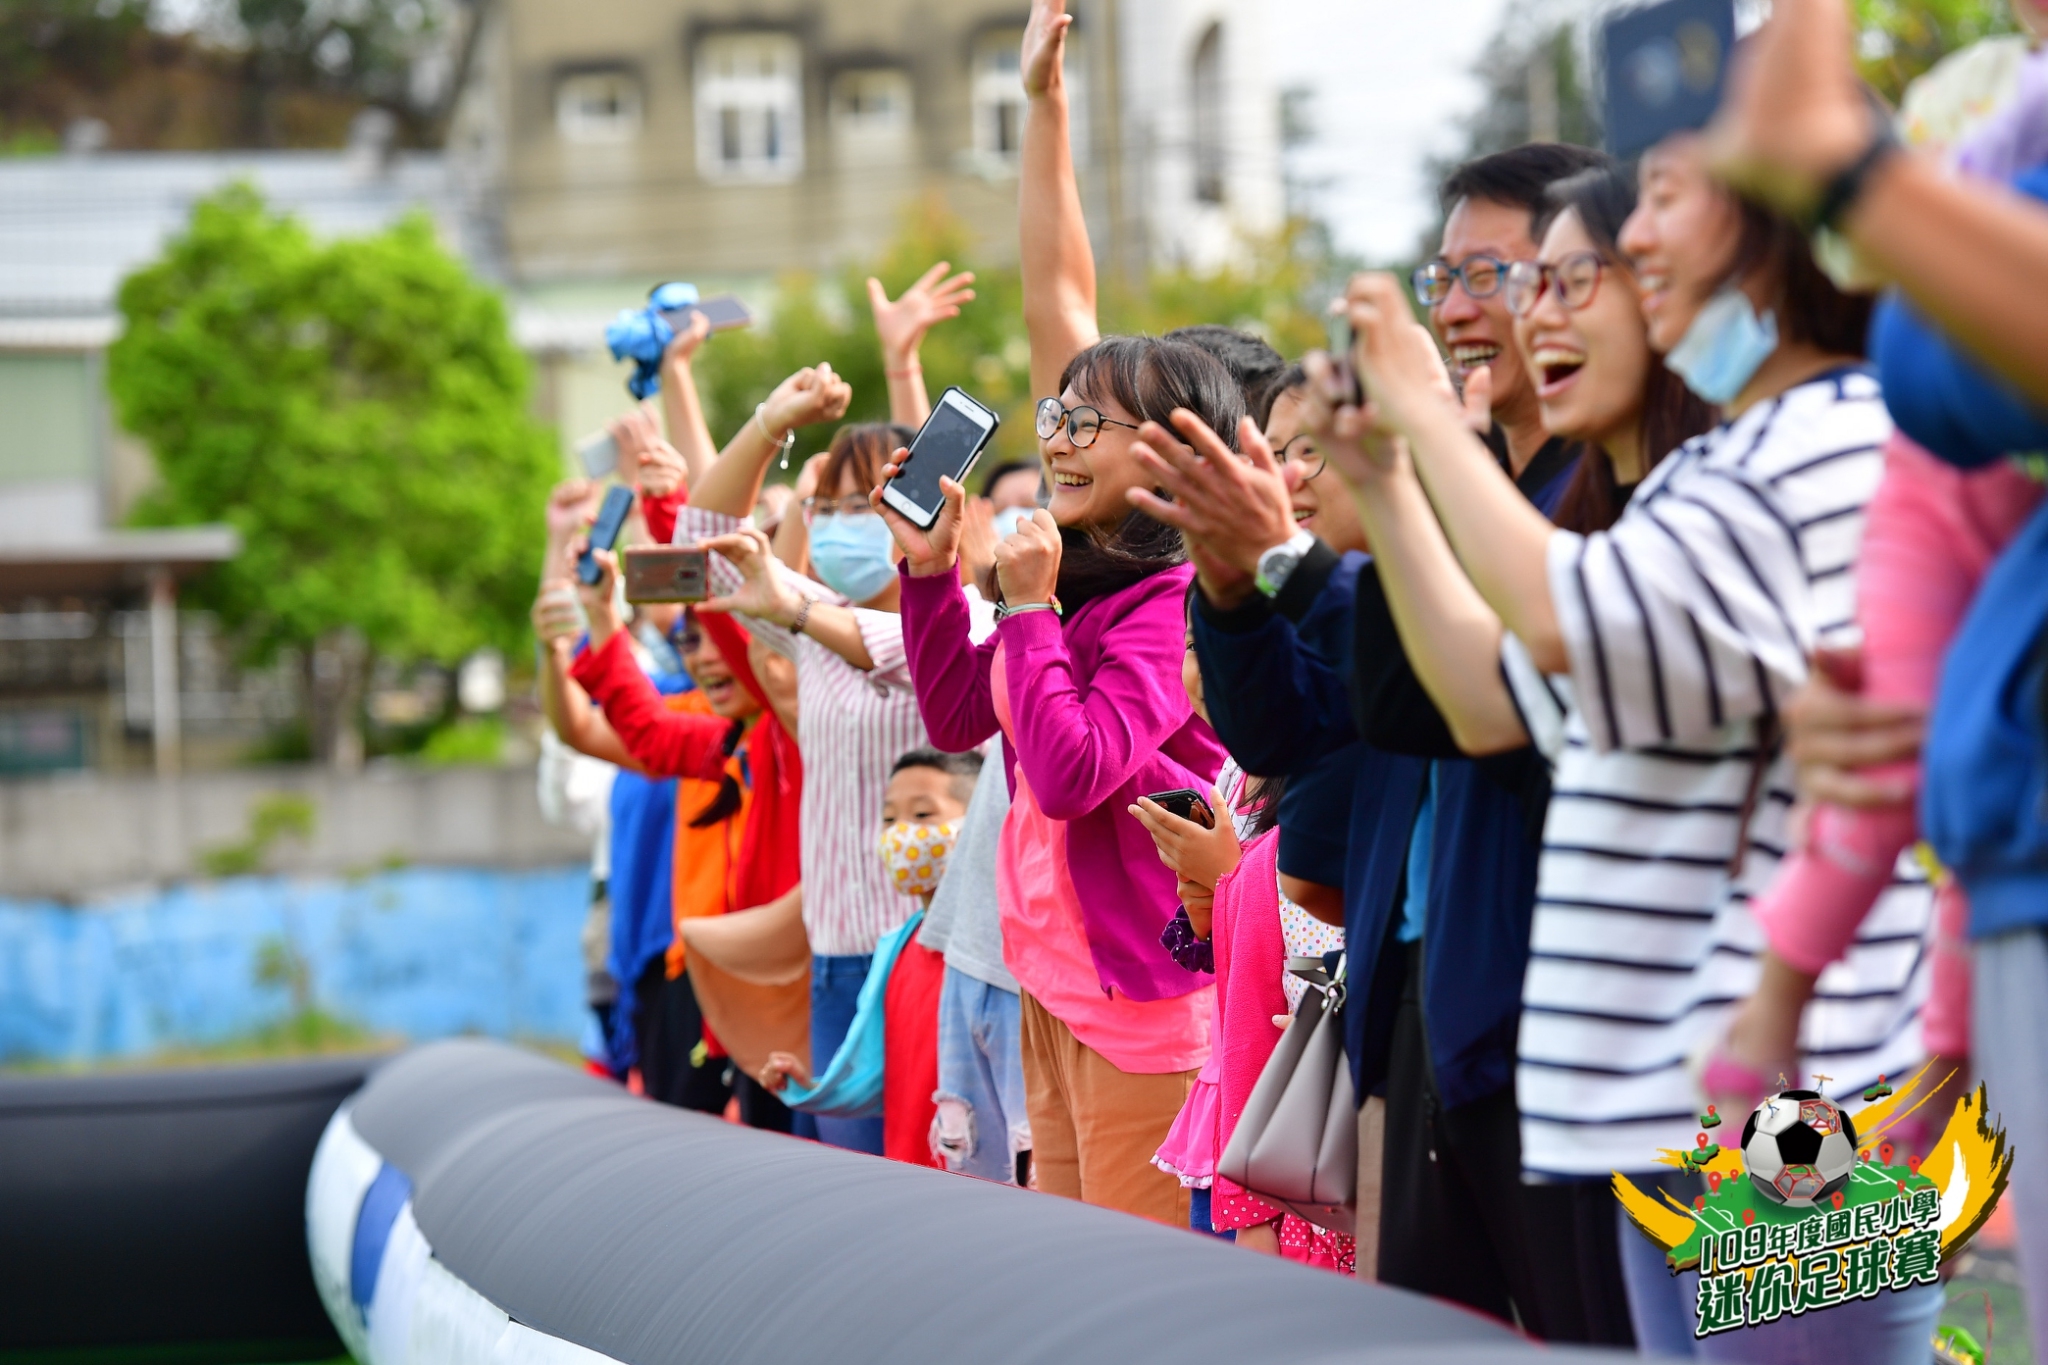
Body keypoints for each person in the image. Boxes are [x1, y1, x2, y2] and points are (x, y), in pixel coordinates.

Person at [1318, 129, 1936, 1360]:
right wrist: (1385, 482)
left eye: (1575, 276)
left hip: (1790, 1108)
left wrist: (1430, 424)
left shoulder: (1815, 440)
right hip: (1666, 1108)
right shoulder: (1701, 481)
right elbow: (1492, 700)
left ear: (1756, 248)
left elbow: (1553, 621)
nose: (1533, 313)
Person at [1131, 148, 1632, 1341]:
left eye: (1493, 275)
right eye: (1440, 277)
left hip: (1560, 1031)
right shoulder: (1445, 496)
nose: (1453, 311)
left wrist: (1286, 562)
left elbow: (1486, 699)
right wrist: (1232, 585)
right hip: (1416, 1021)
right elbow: (1295, 727)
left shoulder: (1600, 496)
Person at [883, 335, 1235, 1227]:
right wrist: (929, 569)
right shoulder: (1071, 580)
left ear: (1172, 453)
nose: (1057, 442)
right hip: (1049, 983)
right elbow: (959, 717)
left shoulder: (1171, 600)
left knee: (1134, 1279)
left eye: (1088, 423)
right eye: (1056, 416)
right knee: (1072, 1263)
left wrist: (1033, 606)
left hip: (1138, 1005)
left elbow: (1073, 773)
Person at [1136, 597, 1349, 1269]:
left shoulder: (1321, 780)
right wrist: (1209, 896)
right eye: (1194, 645)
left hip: (1289, 1110)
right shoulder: (1236, 771)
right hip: (1239, 1099)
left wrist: (1230, 878)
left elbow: (1297, 957)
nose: (1206, 668)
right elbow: (1228, 956)